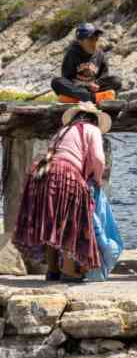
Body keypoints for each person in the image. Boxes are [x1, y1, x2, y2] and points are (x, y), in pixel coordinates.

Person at [14, 103, 111, 282]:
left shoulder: (63, 131)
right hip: (63, 173)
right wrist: (98, 179)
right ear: (94, 119)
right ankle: (70, 271)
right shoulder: (92, 129)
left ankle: (52, 270)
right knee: (69, 220)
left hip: (41, 173)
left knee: (52, 221)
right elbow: (98, 158)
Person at [51, 23, 123, 103]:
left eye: (96, 39)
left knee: (116, 81)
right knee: (56, 82)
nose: (94, 43)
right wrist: (86, 84)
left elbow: (103, 78)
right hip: (79, 88)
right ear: (80, 41)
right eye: (90, 39)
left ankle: (78, 99)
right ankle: (92, 98)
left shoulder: (100, 54)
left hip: (93, 89)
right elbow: (68, 79)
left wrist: (95, 85)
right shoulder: (72, 54)